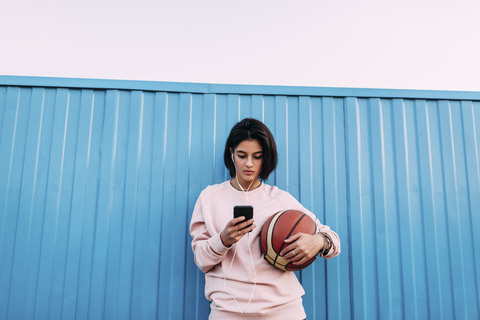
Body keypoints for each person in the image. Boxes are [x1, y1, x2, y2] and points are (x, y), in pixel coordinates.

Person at [190, 118, 340, 319]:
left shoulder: (280, 199)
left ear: (266, 158)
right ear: (231, 153)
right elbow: (201, 260)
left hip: (283, 311)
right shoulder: (209, 198)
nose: (249, 164)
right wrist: (223, 240)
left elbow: (333, 241)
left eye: (257, 156)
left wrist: (319, 240)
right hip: (228, 312)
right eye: (242, 155)